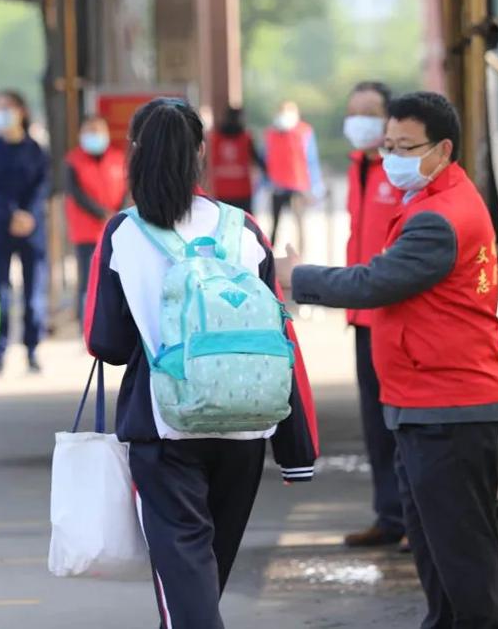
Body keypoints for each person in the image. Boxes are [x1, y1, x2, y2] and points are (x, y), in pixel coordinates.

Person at [277, 92, 498, 629]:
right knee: (436, 554)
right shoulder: (434, 198)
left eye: (406, 146)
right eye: (388, 145)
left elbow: (377, 281)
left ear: (443, 148)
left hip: (447, 406)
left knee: (461, 559)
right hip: (424, 402)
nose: (392, 158)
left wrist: (299, 277)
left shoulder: (439, 218)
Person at [84, 97, 318, 629]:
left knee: (186, 586)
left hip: (167, 431)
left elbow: (109, 343)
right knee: (203, 582)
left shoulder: (123, 233)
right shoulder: (244, 229)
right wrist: (295, 448)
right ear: (200, 153)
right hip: (246, 430)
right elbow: (280, 337)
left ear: (135, 154)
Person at [339, 81, 408, 550]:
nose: (360, 120)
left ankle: (415, 517)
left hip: (396, 315)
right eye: (354, 112)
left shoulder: (400, 172)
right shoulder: (357, 168)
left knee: (402, 421)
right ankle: (389, 516)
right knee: (375, 424)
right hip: (362, 317)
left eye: (370, 112)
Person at [0, 90, 49, 373]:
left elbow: (42, 188)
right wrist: (11, 214)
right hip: (1, 227)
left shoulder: (36, 151)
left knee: (33, 294)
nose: (2, 114)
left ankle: (32, 349)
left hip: (32, 229)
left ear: (21, 111)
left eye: (7, 108)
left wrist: (27, 215)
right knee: (0, 291)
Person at [65, 115, 127, 323]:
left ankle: (113, 322)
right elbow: (77, 194)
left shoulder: (119, 159)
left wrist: (116, 213)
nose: (94, 135)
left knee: (115, 277)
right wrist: (102, 213)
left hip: (116, 229)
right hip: (87, 231)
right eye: (89, 131)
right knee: (87, 279)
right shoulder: (73, 161)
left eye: (98, 130)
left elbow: (126, 191)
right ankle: (86, 322)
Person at [264, 100, 324, 253]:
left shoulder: (304, 131)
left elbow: (311, 160)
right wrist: (264, 184)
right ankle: (270, 256)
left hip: (298, 186)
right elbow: (266, 159)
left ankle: (301, 256)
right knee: (275, 224)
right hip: (277, 186)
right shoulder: (271, 133)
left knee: (299, 224)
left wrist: (316, 187)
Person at [206, 106, 264, 213]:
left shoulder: (215, 137)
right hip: (242, 190)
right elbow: (256, 160)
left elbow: (207, 162)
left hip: (221, 189)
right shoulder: (246, 137)